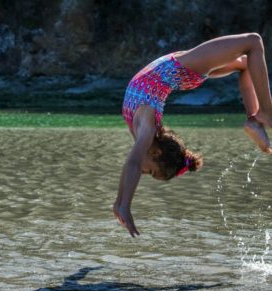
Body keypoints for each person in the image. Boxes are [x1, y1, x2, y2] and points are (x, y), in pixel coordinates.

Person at [114, 33, 272, 237]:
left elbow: (131, 164)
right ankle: (262, 115)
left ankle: (256, 118)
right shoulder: (148, 128)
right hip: (182, 69)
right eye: (150, 172)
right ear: (156, 154)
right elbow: (133, 165)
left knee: (246, 59)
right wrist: (125, 204)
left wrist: (119, 203)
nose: (143, 173)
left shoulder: (142, 132)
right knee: (253, 42)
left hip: (179, 70)